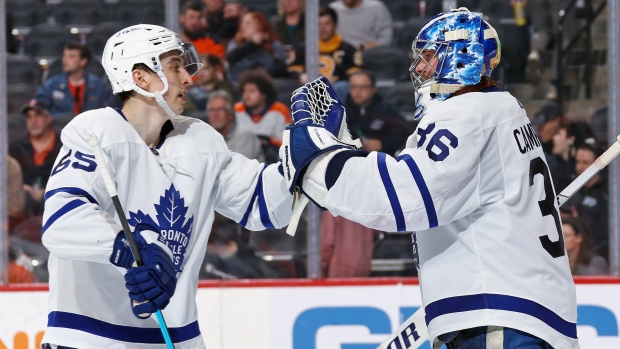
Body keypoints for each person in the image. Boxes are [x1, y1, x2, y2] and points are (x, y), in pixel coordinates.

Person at [281, 8, 578, 349]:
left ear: (460, 57)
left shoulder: (464, 114)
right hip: (519, 314)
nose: (420, 68)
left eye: (428, 57)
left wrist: (319, 161)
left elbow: (404, 199)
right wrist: (348, 152)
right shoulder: (501, 109)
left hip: (499, 316)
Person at [41, 24, 293, 349]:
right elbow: (61, 221)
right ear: (140, 78)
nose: (188, 78)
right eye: (175, 66)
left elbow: (264, 205)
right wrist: (129, 250)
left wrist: (304, 163)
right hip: (89, 338)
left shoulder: (200, 140)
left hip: (178, 339)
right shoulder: (96, 131)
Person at [9, 101, 63, 217]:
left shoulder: (64, 146)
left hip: (56, 202)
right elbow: (9, 177)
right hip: (23, 207)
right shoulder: (15, 147)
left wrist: (46, 191)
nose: (33, 121)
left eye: (38, 115)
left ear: (48, 118)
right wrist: (21, 187)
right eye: (29, 117)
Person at [34, 42, 114, 117]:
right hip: (60, 129)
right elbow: (40, 109)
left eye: (71, 56)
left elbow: (109, 112)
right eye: (64, 56)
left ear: (83, 61)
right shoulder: (51, 85)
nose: (65, 60)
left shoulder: (100, 86)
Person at [288, 7, 362, 86]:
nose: (322, 28)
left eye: (327, 24)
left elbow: (356, 74)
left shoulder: (349, 50)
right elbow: (292, 70)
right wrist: (301, 77)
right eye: (319, 24)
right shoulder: (303, 48)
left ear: (335, 25)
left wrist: (338, 79)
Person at [344, 70, 409, 156]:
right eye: (354, 87)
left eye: (363, 87)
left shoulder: (386, 109)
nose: (358, 91)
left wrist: (382, 143)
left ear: (373, 89)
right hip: (350, 158)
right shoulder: (341, 111)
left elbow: (402, 133)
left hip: (382, 158)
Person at [235, 68, 291, 163]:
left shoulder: (280, 111)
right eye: (244, 91)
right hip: (243, 156)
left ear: (264, 94)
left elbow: (286, 142)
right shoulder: (236, 110)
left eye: (252, 91)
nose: (247, 95)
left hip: (272, 157)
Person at [569, 143, 609, 261]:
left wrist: (580, 222)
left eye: (585, 163)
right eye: (577, 162)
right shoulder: (570, 190)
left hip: (599, 257)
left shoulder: (608, 194)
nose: (580, 167)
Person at [226, 12, 288, 80]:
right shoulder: (235, 43)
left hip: (267, 82)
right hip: (238, 82)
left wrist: (262, 74)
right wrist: (253, 44)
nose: (243, 26)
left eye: (248, 23)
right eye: (242, 23)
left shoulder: (273, 44)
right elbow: (231, 57)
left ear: (260, 25)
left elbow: (282, 66)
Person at [207, 90, 265, 161]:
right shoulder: (206, 136)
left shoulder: (245, 135)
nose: (215, 114)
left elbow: (241, 168)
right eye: (212, 110)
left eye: (220, 110)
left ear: (230, 115)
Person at [328, 0, 393, 51]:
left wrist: (362, 47)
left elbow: (386, 39)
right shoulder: (332, 9)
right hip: (339, 55)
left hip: (369, 54)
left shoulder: (376, 8)